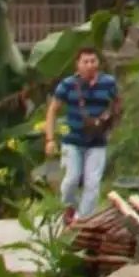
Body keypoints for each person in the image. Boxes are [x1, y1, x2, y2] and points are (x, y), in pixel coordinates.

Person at [44, 46, 122, 222]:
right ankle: (69, 209)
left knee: (92, 184)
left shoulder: (108, 83)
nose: (89, 65)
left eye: (93, 61)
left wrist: (111, 120)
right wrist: (50, 139)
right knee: (71, 180)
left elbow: (118, 103)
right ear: (77, 64)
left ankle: (82, 221)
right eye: (85, 62)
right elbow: (52, 110)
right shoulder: (67, 85)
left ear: (98, 62)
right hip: (72, 141)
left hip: (97, 142)